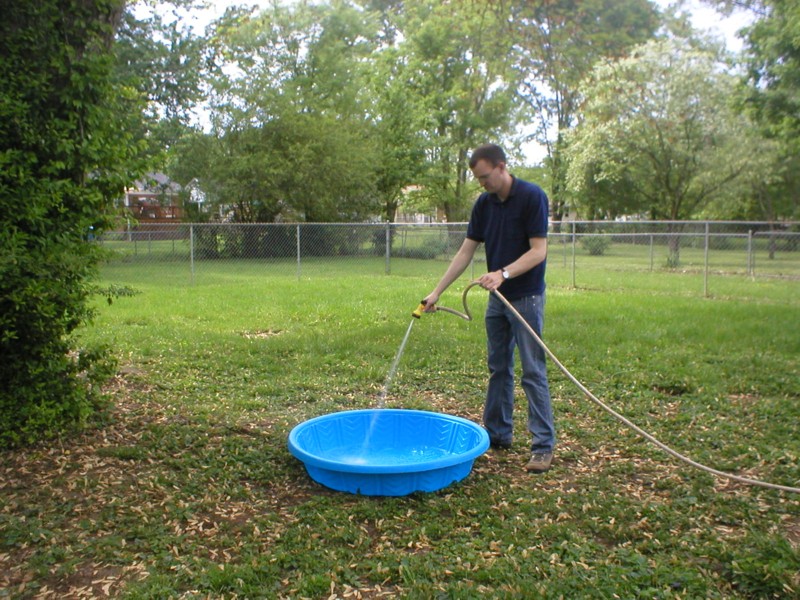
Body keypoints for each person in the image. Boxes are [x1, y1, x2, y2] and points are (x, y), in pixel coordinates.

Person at [423, 143, 555, 473]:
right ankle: (497, 434)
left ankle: (542, 446)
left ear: (501, 166)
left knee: (532, 371)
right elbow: (466, 252)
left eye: (485, 177)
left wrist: (503, 273)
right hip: (498, 300)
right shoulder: (484, 204)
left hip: (525, 297)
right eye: (478, 179)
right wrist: (437, 292)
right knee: (498, 367)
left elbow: (539, 251)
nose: (482, 184)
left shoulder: (531, 196)